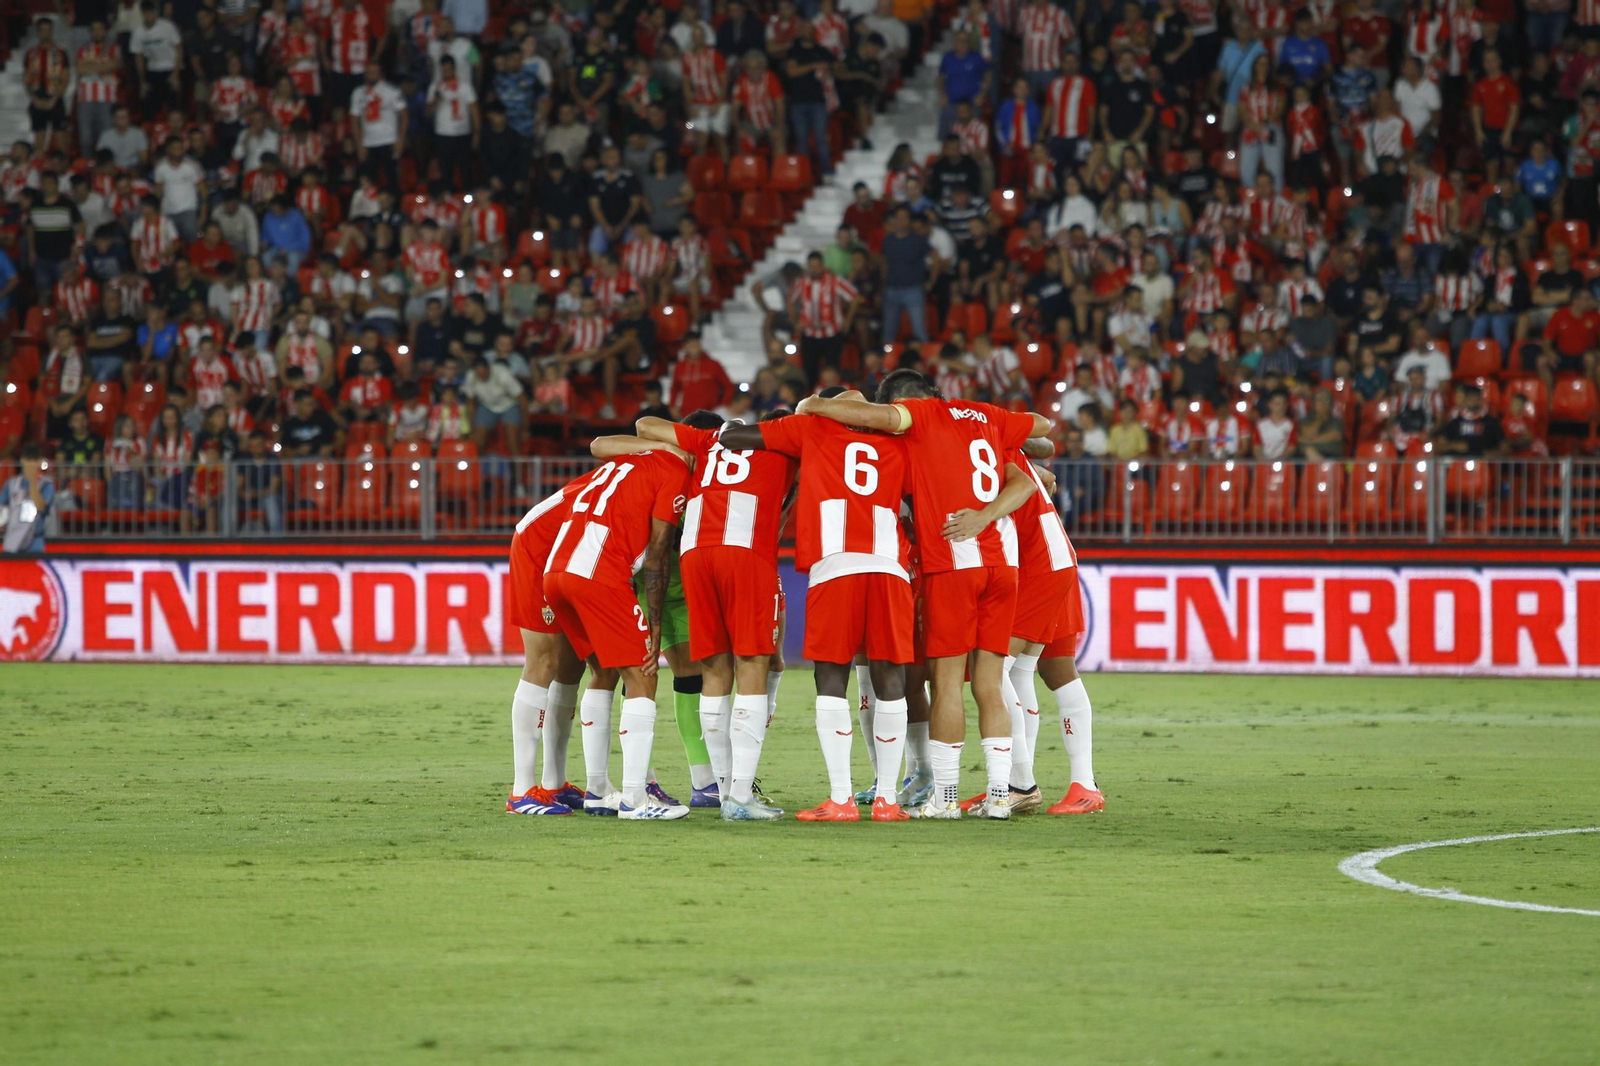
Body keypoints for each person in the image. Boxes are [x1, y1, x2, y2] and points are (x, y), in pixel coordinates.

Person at [791, 369, 1051, 819]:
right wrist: (986, 514)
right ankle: (998, 797)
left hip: (953, 561)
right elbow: (1035, 468)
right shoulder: (985, 416)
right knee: (990, 683)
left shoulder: (919, 424)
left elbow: (865, 416)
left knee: (946, 683)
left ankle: (945, 799)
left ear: (900, 405)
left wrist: (813, 404)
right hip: (1001, 565)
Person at [636, 408, 798, 820]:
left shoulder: (707, 440)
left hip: (693, 552)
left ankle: (723, 791)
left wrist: (686, 450)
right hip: (744, 549)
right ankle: (741, 797)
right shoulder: (783, 442)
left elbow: (645, 425)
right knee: (752, 663)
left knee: (713, 668)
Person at [542, 444, 693, 820]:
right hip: (599, 572)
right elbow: (658, 551)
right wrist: (654, 624)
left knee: (604, 671)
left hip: (557, 570)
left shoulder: (626, 462)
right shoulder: (675, 470)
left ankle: (597, 790)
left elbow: (599, 445)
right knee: (643, 673)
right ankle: (635, 799)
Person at [2, 446, 55, 554]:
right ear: (22, 460)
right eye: (28, 460)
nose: (31, 464)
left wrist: (32, 481)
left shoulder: (47, 484)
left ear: (40, 461)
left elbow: (41, 507)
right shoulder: (11, 484)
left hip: (35, 542)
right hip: (13, 540)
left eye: (34, 460)